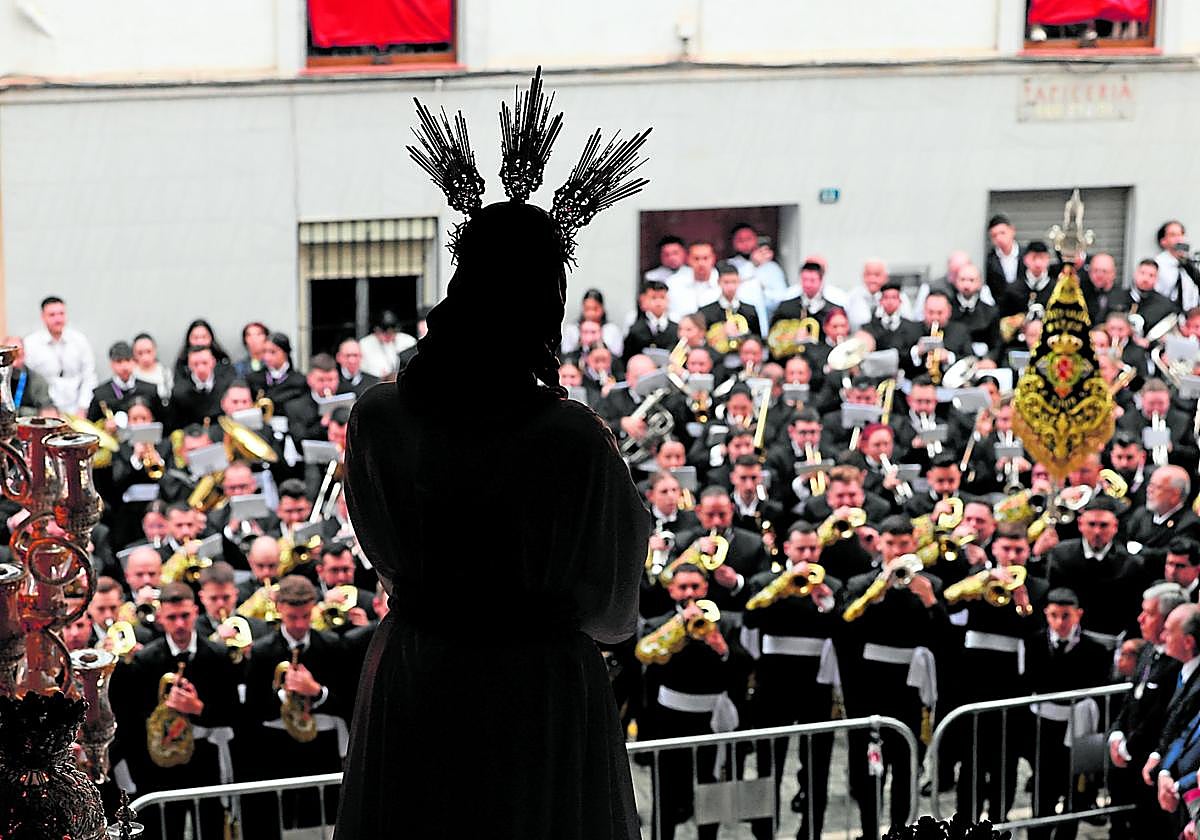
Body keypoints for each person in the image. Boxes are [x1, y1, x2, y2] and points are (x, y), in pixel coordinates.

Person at [333, 136, 649, 839]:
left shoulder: (379, 416)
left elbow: (385, 551)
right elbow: (614, 611)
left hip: (419, 673)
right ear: (543, 300)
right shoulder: (571, 438)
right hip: (533, 692)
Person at [110, 582, 240, 840]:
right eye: (172, 617)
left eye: (185, 616)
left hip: (206, 760)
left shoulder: (218, 655)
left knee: (211, 826)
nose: (180, 624)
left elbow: (235, 712)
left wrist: (198, 708)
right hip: (159, 765)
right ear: (160, 618)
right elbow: (131, 718)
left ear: (195, 611)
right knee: (166, 830)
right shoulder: (143, 661)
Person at [22, 295, 97, 414]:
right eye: (52, 315)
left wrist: (83, 407)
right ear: (43, 317)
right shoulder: (30, 344)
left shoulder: (79, 340)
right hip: (44, 410)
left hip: (77, 409)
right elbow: (27, 381)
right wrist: (45, 409)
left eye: (61, 313)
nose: (58, 319)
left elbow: (89, 375)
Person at [358, 310, 416, 378]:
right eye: (384, 333)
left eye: (391, 332)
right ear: (376, 330)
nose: (388, 336)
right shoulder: (364, 345)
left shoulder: (408, 341)